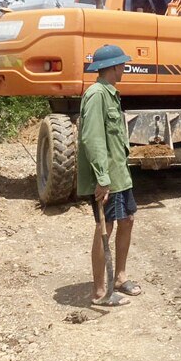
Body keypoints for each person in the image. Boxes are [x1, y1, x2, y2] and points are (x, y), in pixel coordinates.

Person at [78, 44, 142, 306]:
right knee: (106, 226)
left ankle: (119, 277)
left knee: (127, 220)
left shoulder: (111, 93)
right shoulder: (96, 95)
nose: (124, 68)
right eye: (122, 64)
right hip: (108, 177)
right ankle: (100, 291)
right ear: (114, 67)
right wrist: (102, 178)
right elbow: (91, 139)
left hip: (120, 174)